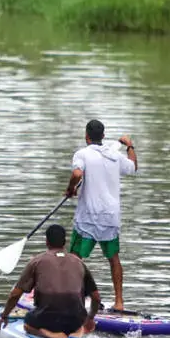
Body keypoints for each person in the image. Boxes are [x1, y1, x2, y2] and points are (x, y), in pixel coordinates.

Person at [64, 119, 137, 311]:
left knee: (75, 259)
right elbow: (132, 167)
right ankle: (119, 302)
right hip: (110, 217)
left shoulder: (82, 154)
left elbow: (78, 174)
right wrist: (129, 145)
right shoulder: (114, 155)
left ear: (86, 136)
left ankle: (75, 298)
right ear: (103, 136)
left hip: (88, 216)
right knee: (113, 258)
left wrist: (71, 189)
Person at [0, 224, 101, 338]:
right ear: (65, 242)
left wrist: (4, 316)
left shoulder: (36, 261)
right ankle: (75, 334)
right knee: (79, 326)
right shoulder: (79, 263)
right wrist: (90, 318)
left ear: (47, 241)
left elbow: (15, 294)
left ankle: (50, 335)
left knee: (27, 324)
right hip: (75, 319)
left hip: (47, 319)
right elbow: (96, 297)